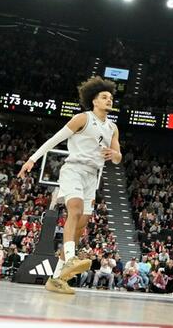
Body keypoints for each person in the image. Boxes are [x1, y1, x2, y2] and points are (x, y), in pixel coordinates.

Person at [18, 76, 121, 294]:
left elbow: (118, 156)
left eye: (111, 97)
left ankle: (56, 279)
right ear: (94, 100)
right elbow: (54, 139)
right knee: (74, 210)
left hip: (93, 176)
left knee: (81, 225)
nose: (109, 100)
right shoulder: (82, 118)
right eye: (104, 97)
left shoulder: (113, 127)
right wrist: (32, 159)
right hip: (74, 169)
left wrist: (115, 154)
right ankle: (71, 258)